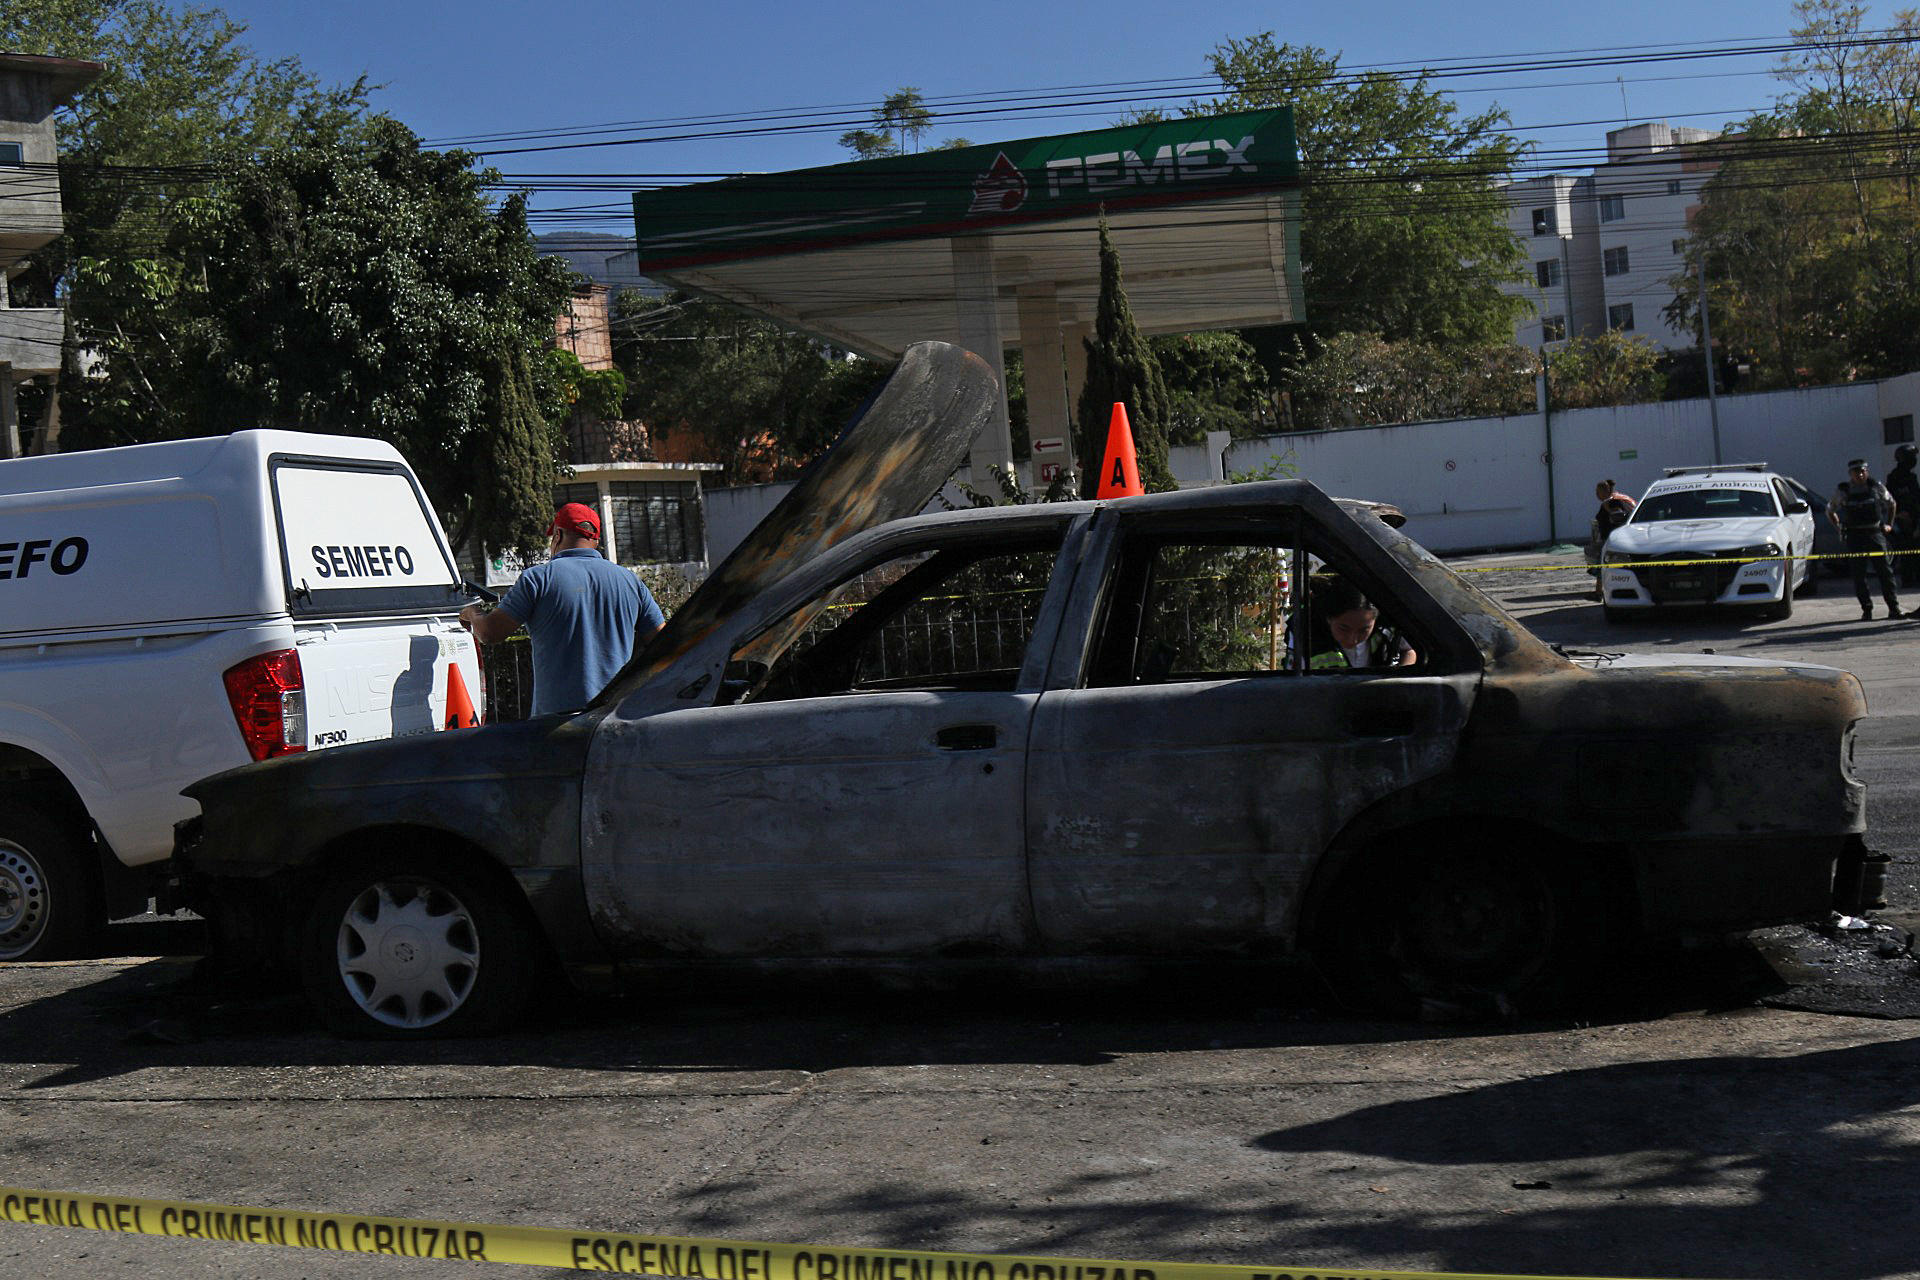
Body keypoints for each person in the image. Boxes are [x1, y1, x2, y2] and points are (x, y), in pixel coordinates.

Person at [459, 502, 666, 715]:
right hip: (613, 716)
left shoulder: (538, 578)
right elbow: (666, 642)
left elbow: (489, 633)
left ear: (558, 535)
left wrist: (471, 612)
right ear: (595, 539)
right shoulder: (630, 581)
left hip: (556, 724)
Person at [1290, 576, 1418, 670]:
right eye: (1344, 629)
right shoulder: (1306, 634)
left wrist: (1398, 681)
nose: (1353, 639)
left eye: (1364, 630)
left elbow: (1408, 651)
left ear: (1375, 620)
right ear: (1329, 619)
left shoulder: (1386, 628)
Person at [1831, 459, 1903, 620]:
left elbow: (1891, 504)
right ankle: (1867, 609)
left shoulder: (1875, 487)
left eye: (1863, 471)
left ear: (1867, 472)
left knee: (1885, 572)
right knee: (1859, 575)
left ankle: (1894, 608)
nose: (1860, 474)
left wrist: (1889, 525)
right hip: (1855, 535)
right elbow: (1830, 509)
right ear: (1851, 474)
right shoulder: (1844, 490)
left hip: (1874, 532)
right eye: (1857, 472)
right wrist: (1838, 526)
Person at [1586, 479, 1637, 597]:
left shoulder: (1613, 502)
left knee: (1604, 566)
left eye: (1597, 491)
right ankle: (1598, 591)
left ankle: (1601, 593)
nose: (1596, 494)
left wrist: (1607, 509)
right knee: (1601, 565)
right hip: (1607, 539)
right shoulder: (1609, 501)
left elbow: (1618, 517)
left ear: (1604, 491)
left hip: (1611, 540)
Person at [1887, 443, 1920, 589]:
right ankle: (1908, 579)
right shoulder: (1895, 477)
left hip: (1915, 518)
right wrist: (1901, 515)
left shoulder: (1912, 477)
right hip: (1903, 520)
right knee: (1907, 549)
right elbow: (1891, 500)